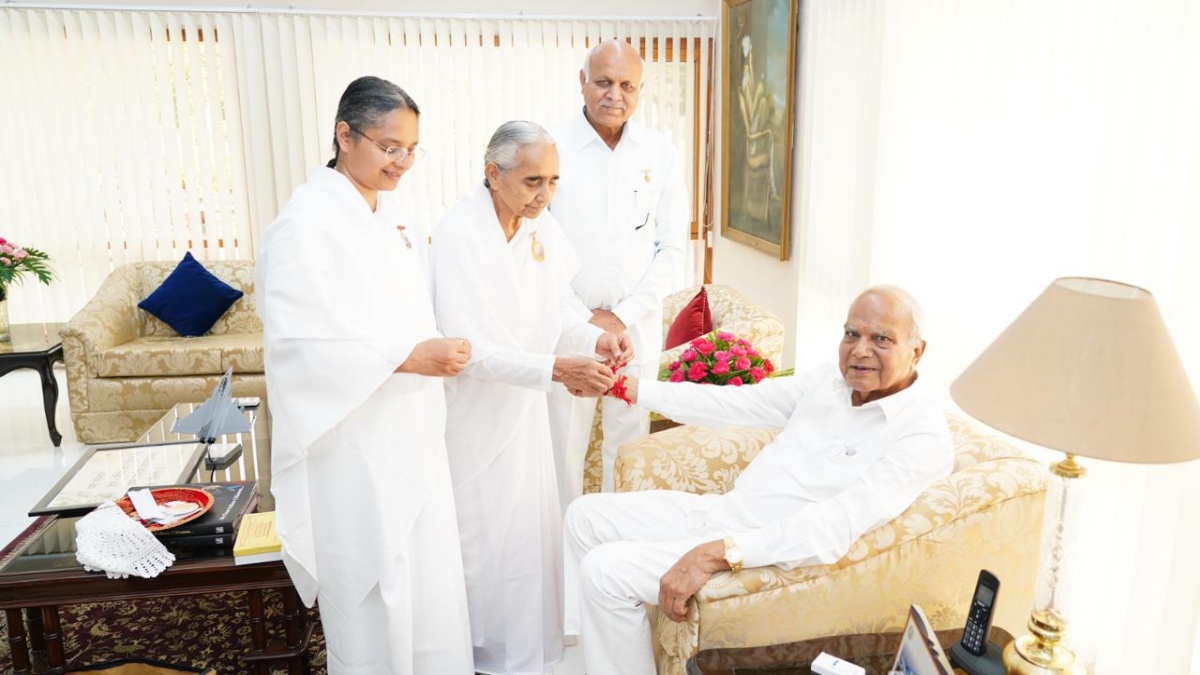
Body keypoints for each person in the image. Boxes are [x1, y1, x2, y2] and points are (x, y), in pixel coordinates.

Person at [563, 285, 954, 675]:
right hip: (723, 514)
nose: (861, 350)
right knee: (584, 517)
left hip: (765, 555)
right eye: (852, 334)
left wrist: (720, 551)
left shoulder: (921, 434)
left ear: (917, 350)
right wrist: (628, 388)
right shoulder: (830, 383)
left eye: (881, 339)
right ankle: (586, 663)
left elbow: (835, 526)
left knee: (605, 572)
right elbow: (737, 404)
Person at [256, 76, 474, 675]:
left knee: (427, 574)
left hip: (412, 422)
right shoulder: (305, 225)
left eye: (410, 149)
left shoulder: (397, 218)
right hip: (353, 431)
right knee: (376, 576)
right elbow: (303, 339)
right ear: (344, 135)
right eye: (389, 147)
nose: (401, 162)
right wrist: (409, 357)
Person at [431, 120, 633, 675]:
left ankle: (529, 655)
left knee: (529, 536)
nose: (545, 195)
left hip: (530, 408)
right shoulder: (458, 236)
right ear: (492, 174)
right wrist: (556, 369)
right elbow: (470, 350)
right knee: (483, 537)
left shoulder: (540, 228)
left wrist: (597, 338)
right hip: (476, 415)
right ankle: (478, 655)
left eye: (553, 182)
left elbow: (560, 311)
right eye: (532, 181)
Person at [548, 38, 690, 502]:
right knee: (562, 454)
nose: (615, 95)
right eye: (604, 82)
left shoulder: (660, 152)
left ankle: (611, 552)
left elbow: (671, 248)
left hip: (635, 336)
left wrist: (622, 316)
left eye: (627, 85)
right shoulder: (553, 149)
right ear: (582, 82)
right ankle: (561, 553)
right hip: (570, 330)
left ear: (641, 89)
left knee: (626, 451)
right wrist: (585, 321)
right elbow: (540, 247)